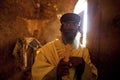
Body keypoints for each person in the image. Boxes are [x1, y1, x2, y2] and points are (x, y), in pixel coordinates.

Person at [32, 13, 98, 80]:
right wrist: (55, 71)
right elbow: (36, 73)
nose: (71, 27)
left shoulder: (83, 51)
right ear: (61, 28)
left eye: (74, 24)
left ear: (78, 30)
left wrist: (82, 64)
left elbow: (92, 76)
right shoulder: (46, 50)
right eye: (67, 24)